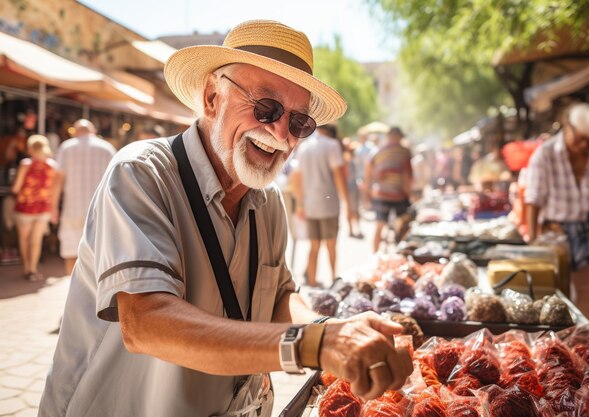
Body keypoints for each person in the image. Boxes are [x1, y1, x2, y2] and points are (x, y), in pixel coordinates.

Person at [39, 20, 413, 417]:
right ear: (212, 98)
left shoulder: (268, 204)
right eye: (266, 107)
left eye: (298, 122)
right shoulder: (142, 173)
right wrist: (315, 344)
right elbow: (146, 321)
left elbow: (279, 298)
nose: (280, 132)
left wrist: (330, 330)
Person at [525, 103, 589, 334]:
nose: (585, 146)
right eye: (580, 138)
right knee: (557, 308)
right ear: (568, 127)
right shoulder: (545, 154)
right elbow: (533, 201)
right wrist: (533, 245)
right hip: (556, 239)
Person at [53, 119, 116, 275]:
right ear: (93, 131)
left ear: (75, 131)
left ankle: (71, 288)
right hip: (100, 210)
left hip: (72, 209)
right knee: (99, 254)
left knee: (70, 253)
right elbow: (115, 181)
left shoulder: (66, 147)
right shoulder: (107, 148)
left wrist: (53, 206)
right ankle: (95, 295)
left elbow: (58, 180)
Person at [292, 124, 348, 286]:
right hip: (328, 204)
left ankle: (312, 280)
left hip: (310, 204)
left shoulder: (304, 147)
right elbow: (338, 175)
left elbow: (297, 177)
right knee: (331, 245)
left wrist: (300, 204)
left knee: (314, 246)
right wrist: (347, 202)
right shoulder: (332, 145)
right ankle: (333, 279)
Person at [11, 135, 59, 281]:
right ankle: (33, 269)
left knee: (24, 239)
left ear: (31, 148)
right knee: (36, 240)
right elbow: (54, 190)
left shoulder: (26, 164)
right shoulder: (53, 165)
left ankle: (26, 268)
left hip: (24, 207)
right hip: (43, 208)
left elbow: (15, 188)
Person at [364, 126, 413, 252]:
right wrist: (409, 196)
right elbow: (407, 176)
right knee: (404, 226)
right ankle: (403, 254)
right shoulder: (404, 152)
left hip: (380, 194)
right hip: (398, 194)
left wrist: (367, 194)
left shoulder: (377, 151)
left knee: (379, 226)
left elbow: (368, 174)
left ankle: (375, 258)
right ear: (400, 137)